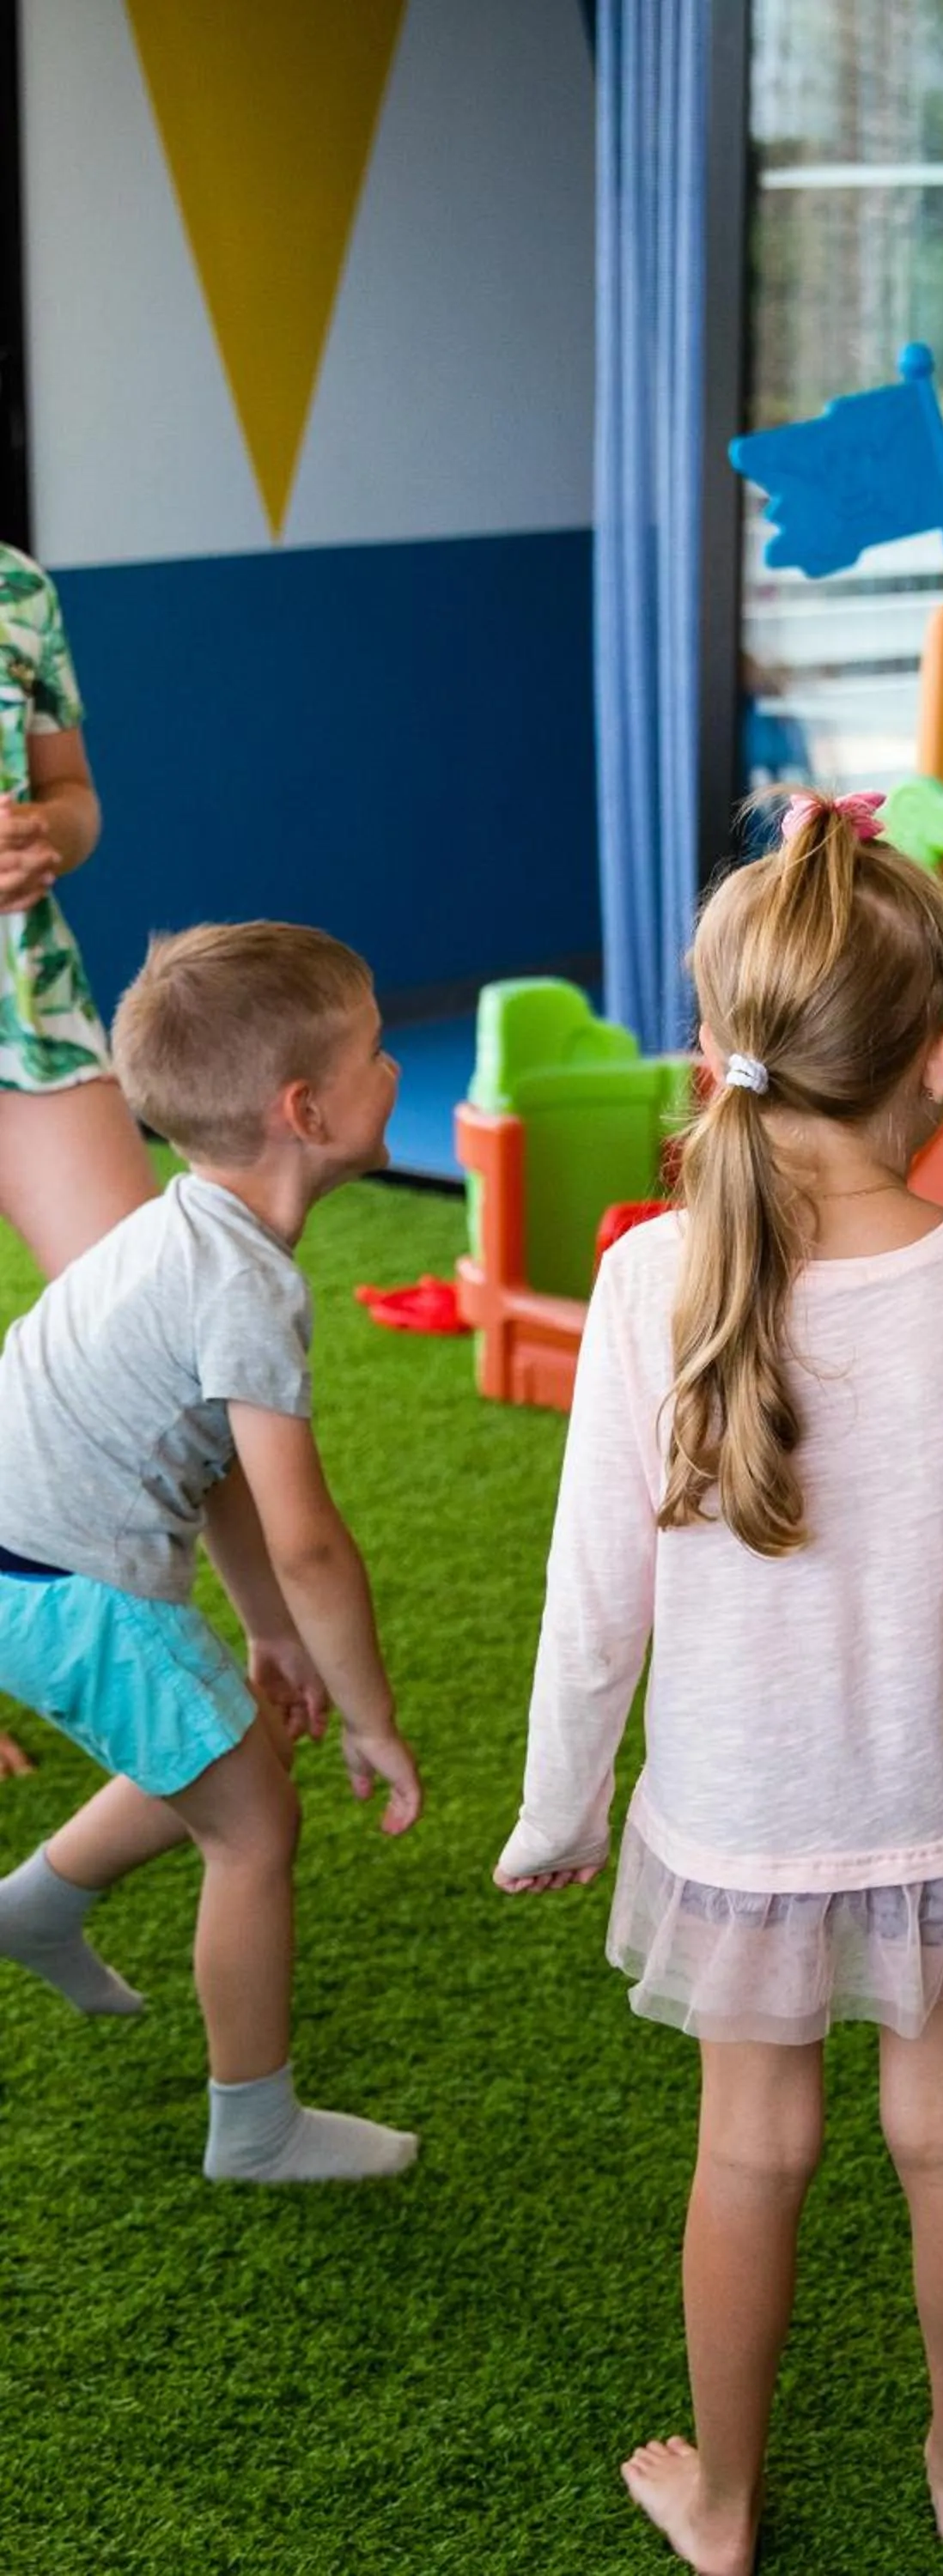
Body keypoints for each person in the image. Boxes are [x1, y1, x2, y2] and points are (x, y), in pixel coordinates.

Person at [495, 790, 943, 2575]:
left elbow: (588, 1600)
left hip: (735, 1819)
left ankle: (719, 2499)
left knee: (752, 2149)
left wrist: (561, 1806)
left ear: (722, 1047)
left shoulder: (642, 1276)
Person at [0, 922, 423, 2182]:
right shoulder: (248, 1285)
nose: (396, 1072)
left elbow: (219, 1468)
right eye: (377, 1054)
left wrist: (272, 1637)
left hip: (25, 1563)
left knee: (213, 1737)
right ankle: (255, 2125)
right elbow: (308, 1540)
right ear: (305, 1108)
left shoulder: (186, 1227)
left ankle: (34, 1906)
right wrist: (370, 1715)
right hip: (67, 1588)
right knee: (254, 1826)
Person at [0, 547, 162, 1776]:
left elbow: (76, 794)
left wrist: (45, 833)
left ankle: (166, 1678)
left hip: (33, 1017)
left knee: (148, 1339)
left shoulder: (16, 587)